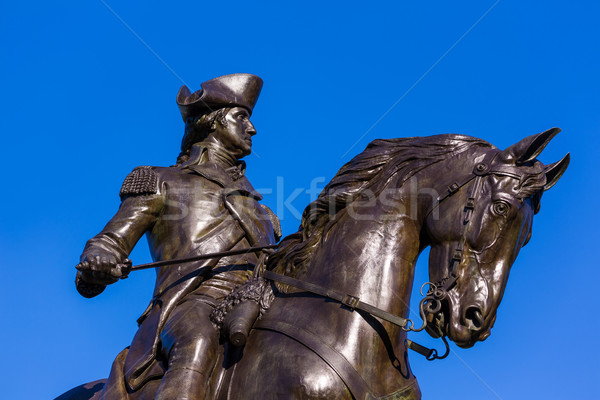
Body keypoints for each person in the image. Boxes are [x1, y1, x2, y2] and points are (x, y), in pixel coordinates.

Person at [75, 73, 280, 400]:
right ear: (213, 121)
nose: (252, 128)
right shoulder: (161, 180)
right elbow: (110, 241)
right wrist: (100, 260)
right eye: (242, 118)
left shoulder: (264, 213)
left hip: (260, 302)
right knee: (197, 336)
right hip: (193, 303)